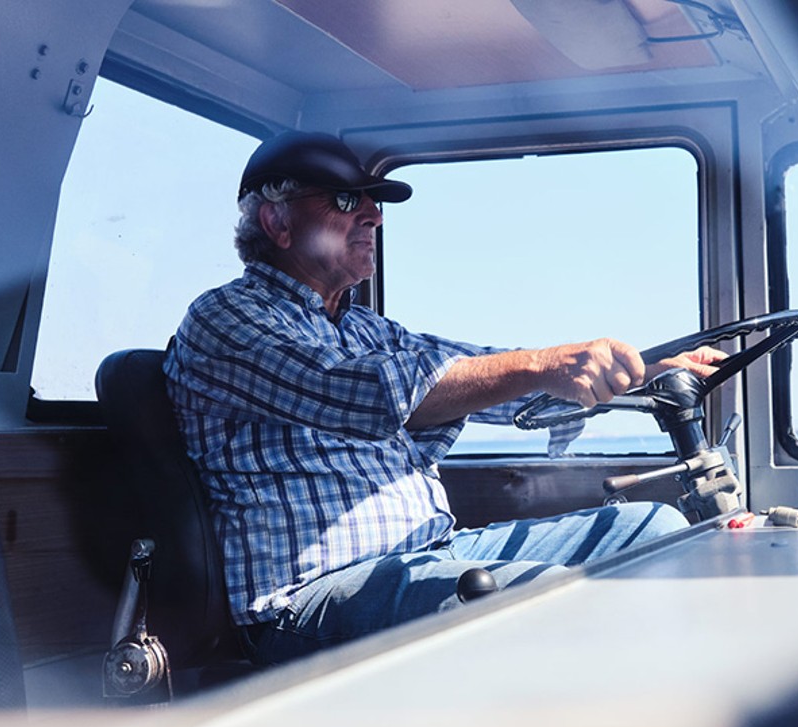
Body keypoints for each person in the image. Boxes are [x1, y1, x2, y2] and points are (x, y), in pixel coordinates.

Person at [167, 131, 726, 666]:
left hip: (433, 553)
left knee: (658, 532)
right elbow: (366, 398)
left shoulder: (367, 329)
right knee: (563, 601)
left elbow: (486, 377)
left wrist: (640, 370)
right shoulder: (226, 320)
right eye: (345, 200)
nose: (373, 217)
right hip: (309, 600)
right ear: (277, 222)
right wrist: (543, 365)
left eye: (374, 203)